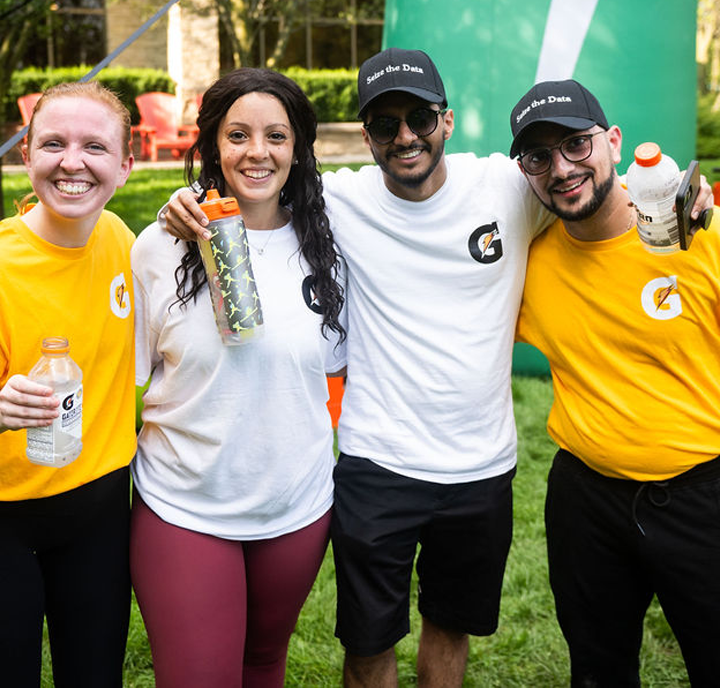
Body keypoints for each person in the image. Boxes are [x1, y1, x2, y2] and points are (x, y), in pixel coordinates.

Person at [163, 51, 714, 687]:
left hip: (483, 467)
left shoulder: (512, 185)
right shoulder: (338, 201)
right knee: (369, 641)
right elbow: (252, 185)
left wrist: (680, 189)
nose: (405, 136)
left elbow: (598, 188)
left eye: (420, 116)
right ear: (365, 137)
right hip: (378, 461)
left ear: (446, 121)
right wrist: (180, 205)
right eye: (385, 124)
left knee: (450, 626)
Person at [130, 68, 346, 688]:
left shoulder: (329, 245)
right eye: (238, 135)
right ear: (212, 146)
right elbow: (126, 374)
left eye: (276, 136)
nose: (258, 152)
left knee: (262, 665)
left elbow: (336, 367)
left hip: (297, 507)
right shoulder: (161, 246)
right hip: (186, 505)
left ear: (299, 148)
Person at [511, 78, 720, 687]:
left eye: (577, 144)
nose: (562, 168)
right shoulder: (530, 261)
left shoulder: (697, 231)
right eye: (539, 157)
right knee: (598, 672)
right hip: (586, 502)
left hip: (703, 495)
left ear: (613, 141)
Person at [0, 82, 136, 687]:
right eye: (53, 143)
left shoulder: (126, 244)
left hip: (99, 508)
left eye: (95, 147)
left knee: (95, 675)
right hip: (5, 513)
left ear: (126, 166)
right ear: (25, 154)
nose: (72, 162)